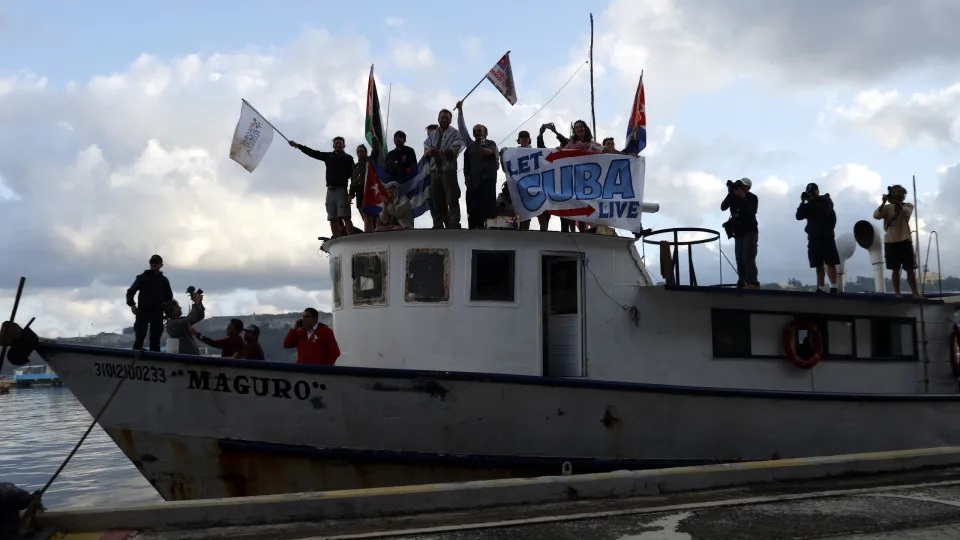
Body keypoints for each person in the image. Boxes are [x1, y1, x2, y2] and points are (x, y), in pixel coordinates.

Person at [288, 136, 357, 238]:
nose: (338, 145)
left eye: (340, 143)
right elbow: (312, 153)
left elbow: (353, 177)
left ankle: (350, 238)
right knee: (332, 218)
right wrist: (297, 146)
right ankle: (337, 239)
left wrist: (351, 193)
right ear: (333, 145)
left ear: (344, 145)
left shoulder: (348, 158)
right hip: (330, 191)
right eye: (336, 143)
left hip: (342, 190)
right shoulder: (328, 156)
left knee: (345, 216)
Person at [455, 101, 499, 230]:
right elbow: (462, 131)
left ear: (485, 133)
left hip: (487, 184)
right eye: (475, 131)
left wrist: (487, 151)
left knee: (489, 211)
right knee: (473, 212)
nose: (477, 133)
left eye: (480, 131)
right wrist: (460, 112)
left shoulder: (491, 144)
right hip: (473, 184)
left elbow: (496, 161)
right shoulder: (470, 146)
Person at [873, 184, 920, 298]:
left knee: (910, 269)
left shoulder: (908, 205)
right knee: (895, 269)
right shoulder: (887, 207)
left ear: (904, 195)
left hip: (905, 240)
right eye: (895, 192)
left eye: (900, 192)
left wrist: (895, 202)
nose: (898, 194)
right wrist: (883, 203)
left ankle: (915, 293)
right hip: (891, 241)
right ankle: (897, 293)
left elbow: (905, 212)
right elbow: (876, 215)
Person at [795, 182, 840, 294]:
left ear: (817, 191)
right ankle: (821, 287)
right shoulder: (808, 205)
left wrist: (812, 201)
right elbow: (799, 216)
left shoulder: (826, 200)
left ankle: (834, 286)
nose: (811, 194)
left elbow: (825, 211)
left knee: (831, 262)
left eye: (813, 192)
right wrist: (802, 202)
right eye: (809, 192)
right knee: (818, 263)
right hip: (814, 237)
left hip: (827, 236)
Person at [423, 109, 464, 228]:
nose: (444, 120)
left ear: (450, 120)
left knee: (452, 197)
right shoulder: (432, 135)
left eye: (447, 118)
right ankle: (438, 224)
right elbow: (426, 149)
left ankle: (454, 223)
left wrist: (441, 152)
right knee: (436, 199)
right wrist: (429, 152)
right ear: (438, 119)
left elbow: (455, 149)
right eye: (442, 117)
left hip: (448, 170)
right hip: (434, 171)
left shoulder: (455, 133)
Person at [126, 254, 174, 351]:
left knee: (155, 340)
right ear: (150, 263)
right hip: (143, 311)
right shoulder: (142, 278)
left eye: (156, 262)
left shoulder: (164, 280)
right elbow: (130, 292)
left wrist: (167, 312)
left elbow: (169, 297)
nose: (154, 264)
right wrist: (132, 305)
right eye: (152, 262)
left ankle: (154, 358)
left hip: (158, 312)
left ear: (161, 265)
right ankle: (135, 355)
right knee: (140, 336)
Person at [720, 178, 759, 289]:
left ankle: (752, 282)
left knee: (748, 255)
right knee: (739, 258)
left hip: (750, 230)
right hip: (738, 232)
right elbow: (723, 207)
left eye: (742, 186)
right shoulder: (733, 197)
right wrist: (730, 192)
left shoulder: (752, 197)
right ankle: (742, 282)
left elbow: (751, 213)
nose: (740, 187)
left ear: (748, 188)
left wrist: (743, 198)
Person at [350, 144, 374, 232]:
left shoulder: (370, 162)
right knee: (364, 216)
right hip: (359, 194)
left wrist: (374, 139)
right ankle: (369, 234)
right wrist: (351, 194)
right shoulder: (355, 166)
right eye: (358, 152)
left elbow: (375, 151)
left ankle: (374, 233)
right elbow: (353, 181)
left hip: (369, 192)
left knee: (372, 217)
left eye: (361, 151)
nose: (359, 153)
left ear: (366, 152)